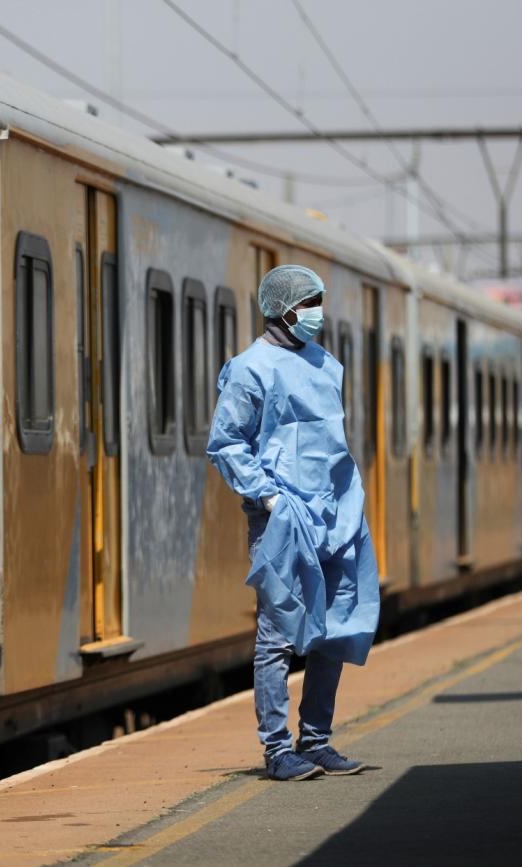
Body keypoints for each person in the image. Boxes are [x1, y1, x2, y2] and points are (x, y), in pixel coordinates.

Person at [206, 264, 380, 782]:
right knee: (278, 634)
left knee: (334, 628)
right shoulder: (249, 369)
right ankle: (277, 749)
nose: (317, 312)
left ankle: (317, 740)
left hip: (335, 515)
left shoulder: (328, 365)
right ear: (283, 309)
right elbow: (227, 442)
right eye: (310, 302)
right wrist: (268, 497)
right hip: (281, 518)